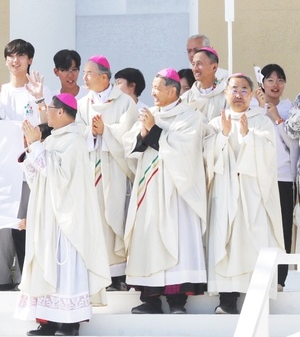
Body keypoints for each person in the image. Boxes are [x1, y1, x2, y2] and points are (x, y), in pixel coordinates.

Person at [15, 93, 110, 336]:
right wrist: (32, 148)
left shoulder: (75, 141)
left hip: (66, 218)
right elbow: (37, 176)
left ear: (60, 112)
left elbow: (60, 177)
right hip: (47, 214)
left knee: (64, 266)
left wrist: (37, 145)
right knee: (46, 263)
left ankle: (69, 322)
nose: (46, 112)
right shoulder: (54, 139)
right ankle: (47, 319)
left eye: (50, 109)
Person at [123, 69, 209, 314]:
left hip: (176, 192)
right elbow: (130, 144)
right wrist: (143, 132)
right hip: (150, 190)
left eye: (157, 88)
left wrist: (153, 130)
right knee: (149, 239)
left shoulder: (190, 117)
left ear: (173, 90)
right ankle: (150, 299)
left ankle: (177, 300)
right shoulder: (150, 114)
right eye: (152, 87)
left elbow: (186, 151)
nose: (152, 92)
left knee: (178, 240)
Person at [207, 73, 284, 313]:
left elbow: (269, 155)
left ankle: (256, 301)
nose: (238, 94)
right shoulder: (215, 123)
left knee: (254, 242)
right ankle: (227, 301)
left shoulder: (260, 121)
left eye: (244, 90)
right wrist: (225, 135)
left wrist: (248, 136)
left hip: (253, 194)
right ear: (225, 93)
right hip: (224, 192)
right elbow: (207, 158)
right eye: (234, 89)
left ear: (252, 95)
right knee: (226, 242)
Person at [0, 38, 50, 290]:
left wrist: (40, 97)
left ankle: (29, 281)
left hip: (30, 172)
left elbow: (48, 126)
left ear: (29, 60)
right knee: (0, 227)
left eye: (21, 56)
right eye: (11, 56)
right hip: (3, 171)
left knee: (29, 226)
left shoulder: (38, 91)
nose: (15, 61)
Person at [77, 56, 138, 291]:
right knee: (93, 220)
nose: (84, 77)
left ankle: (117, 275)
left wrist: (106, 131)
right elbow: (76, 132)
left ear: (104, 77)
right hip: (91, 168)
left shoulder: (124, 103)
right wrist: (91, 134)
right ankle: (95, 273)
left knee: (114, 217)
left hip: (114, 169)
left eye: (89, 73)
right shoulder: (83, 104)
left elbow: (129, 134)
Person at [253, 64, 298, 290]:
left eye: (280, 80)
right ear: (262, 83)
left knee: (282, 228)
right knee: (260, 226)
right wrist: (263, 110)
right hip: (259, 177)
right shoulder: (253, 107)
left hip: (283, 177)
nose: (275, 85)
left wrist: (276, 117)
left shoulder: (291, 108)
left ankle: (279, 279)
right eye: (270, 80)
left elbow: (292, 144)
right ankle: (258, 275)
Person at [180, 47, 227, 121]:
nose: (195, 69)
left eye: (199, 64)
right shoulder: (188, 96)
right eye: (193, 64)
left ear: (214, 67)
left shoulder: (226, 94)